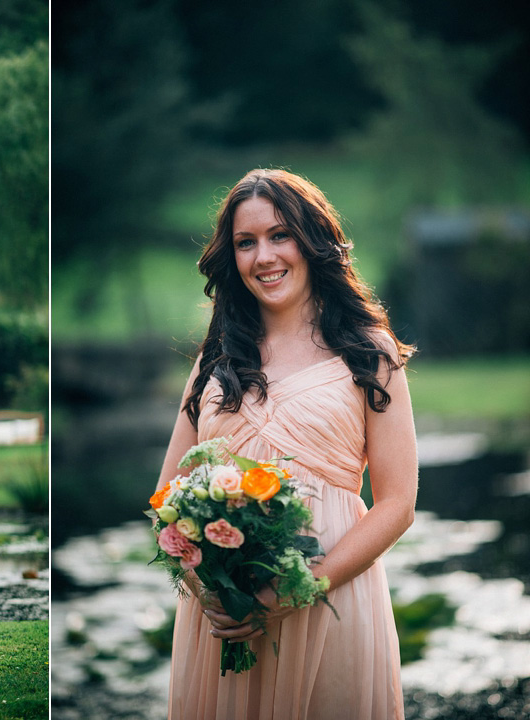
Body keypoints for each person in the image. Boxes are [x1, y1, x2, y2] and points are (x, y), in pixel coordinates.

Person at [156, 169, 417, 719]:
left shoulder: (368, 352)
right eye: (245, 243)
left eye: (280, 235)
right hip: (224, 616)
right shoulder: (214, 361)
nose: (264, 256)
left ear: (312, 241)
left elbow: (397, 503)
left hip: (330, 600)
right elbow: (167, 498)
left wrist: (293, 593)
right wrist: (208, 588)